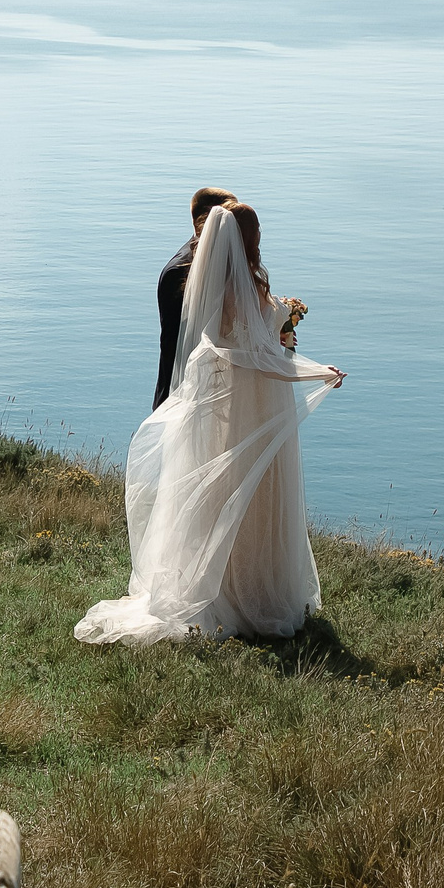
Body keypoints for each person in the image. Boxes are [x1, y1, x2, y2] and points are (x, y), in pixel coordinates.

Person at [79, 201, 347, 645]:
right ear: (246, 239)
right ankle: (246, 593)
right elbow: (257, 355)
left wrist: (283, 321)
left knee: (239, 494)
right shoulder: (236, 291)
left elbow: (249, 340)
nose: (262, 237)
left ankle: (242, 584)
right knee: (251, 494)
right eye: (257, 231)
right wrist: (316, 371)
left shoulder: (222, 286)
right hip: (252, 409)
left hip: (240, 406)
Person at [155, 186, 237, 410]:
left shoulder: (225, 262)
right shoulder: (179, 270)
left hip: (218, 388)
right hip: (185, 389)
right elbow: (175, 338)